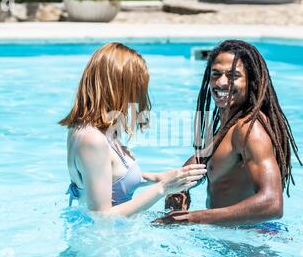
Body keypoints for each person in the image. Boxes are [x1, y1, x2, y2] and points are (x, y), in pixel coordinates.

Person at [156, 40, 302, 226]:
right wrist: (180, 189)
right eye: (216, 74)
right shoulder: (228, 125)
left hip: (253, 243)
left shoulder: (250, 129)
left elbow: (272, 204)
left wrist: (193, 218)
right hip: (233, 240)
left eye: (233, 76)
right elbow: (203, 162)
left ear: (251, 82)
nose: (221, 82)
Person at [59, 42, 206, 217]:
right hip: (104, 243)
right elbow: (101, 217)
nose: (139, 96)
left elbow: (109, 177)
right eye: (137, 88)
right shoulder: (93, 140)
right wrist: (162, 189)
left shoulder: (87, 128)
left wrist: (160, 177)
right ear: (119, 88)